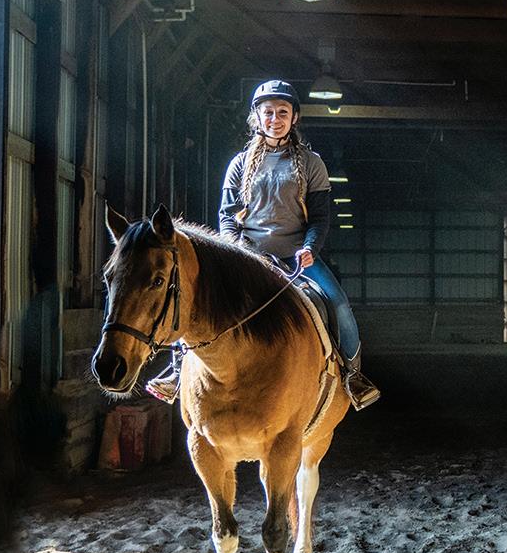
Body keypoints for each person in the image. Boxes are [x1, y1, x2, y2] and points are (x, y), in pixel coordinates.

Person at [147, 80, 380, 410]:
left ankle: (352, 376)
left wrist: (310, 248)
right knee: (195, 299)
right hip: (249, 257)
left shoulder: (312, 163)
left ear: (294, 118)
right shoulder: (239, 164)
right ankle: (176, 373)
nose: (275, 119)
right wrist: (235, 253)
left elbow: (320, 217)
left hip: (297, 256)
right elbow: (227, 217)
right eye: (268, 112)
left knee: (339, 306)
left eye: (282, 112)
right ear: (256, 116)